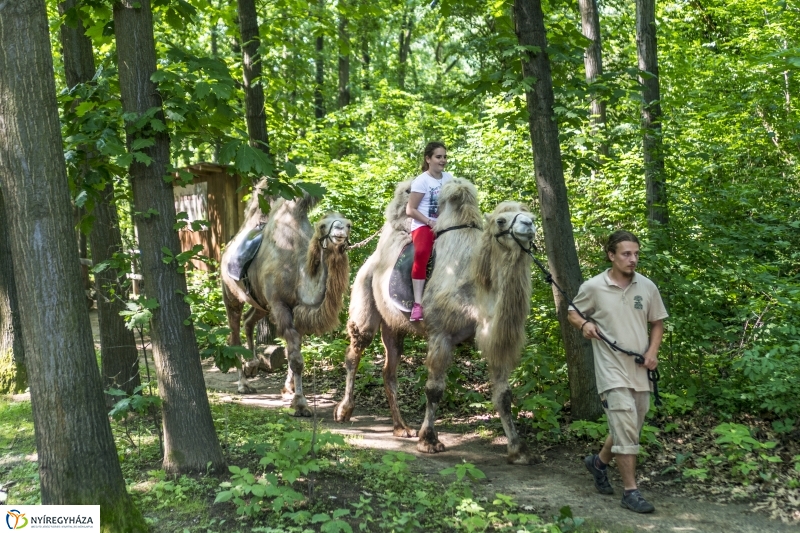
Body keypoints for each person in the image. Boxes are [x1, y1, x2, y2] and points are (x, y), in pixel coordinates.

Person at [568, 230, 668, 514]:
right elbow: (572, 311)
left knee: (631, 427)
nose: (632, 259)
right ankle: (630, 491)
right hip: (611, 370)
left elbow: (658, 323)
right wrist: (583, 324)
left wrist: (652, 353)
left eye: (636, 254)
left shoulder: (646, 287)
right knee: (625, 426)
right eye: (626, 254)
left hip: (639, 370)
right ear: (611, 255)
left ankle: (598, 463)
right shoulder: (594, 287)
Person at [405, 141, 453, 321]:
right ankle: (418, 304)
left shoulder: (449, 178)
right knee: (422, 253)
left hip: (446, 224)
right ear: (428, 159)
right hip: (424, 225)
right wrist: (429, 222)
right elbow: (410, 210)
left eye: (444, 157)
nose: (443, 160)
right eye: (438, 157)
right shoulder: (422, 181)